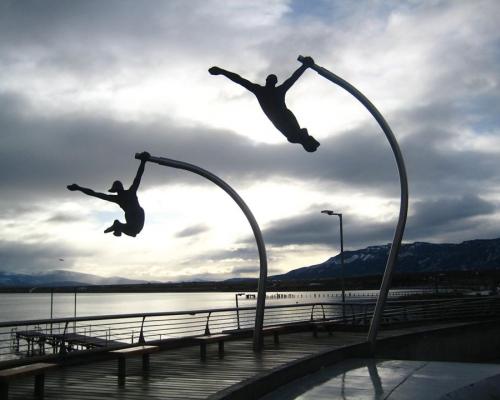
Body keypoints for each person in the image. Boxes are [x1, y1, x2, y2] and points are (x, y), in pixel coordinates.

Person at [209, 56, 319, 152]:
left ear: (275, 82)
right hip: (285, 124)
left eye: (274, 79)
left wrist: (305, 66)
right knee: (297, 136)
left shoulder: (277, 91)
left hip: (287, 122)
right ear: (266, 80)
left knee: (298, 136)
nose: (272, 79)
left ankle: (307, 143)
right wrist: (222, 71)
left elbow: (293, 78)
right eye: (271, 78)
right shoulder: (260, 90)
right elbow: (239, 80)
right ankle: (307, 143)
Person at [67, 152, 150, 237]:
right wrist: (79, 188)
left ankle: (118, 226)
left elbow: (138, 176)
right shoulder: (128, 193)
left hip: (137, 217)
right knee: (133, 233)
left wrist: (143, 162)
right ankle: (118, 226)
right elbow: (95, 194)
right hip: (137, 219)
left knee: (133, 231)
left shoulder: (121, 196)